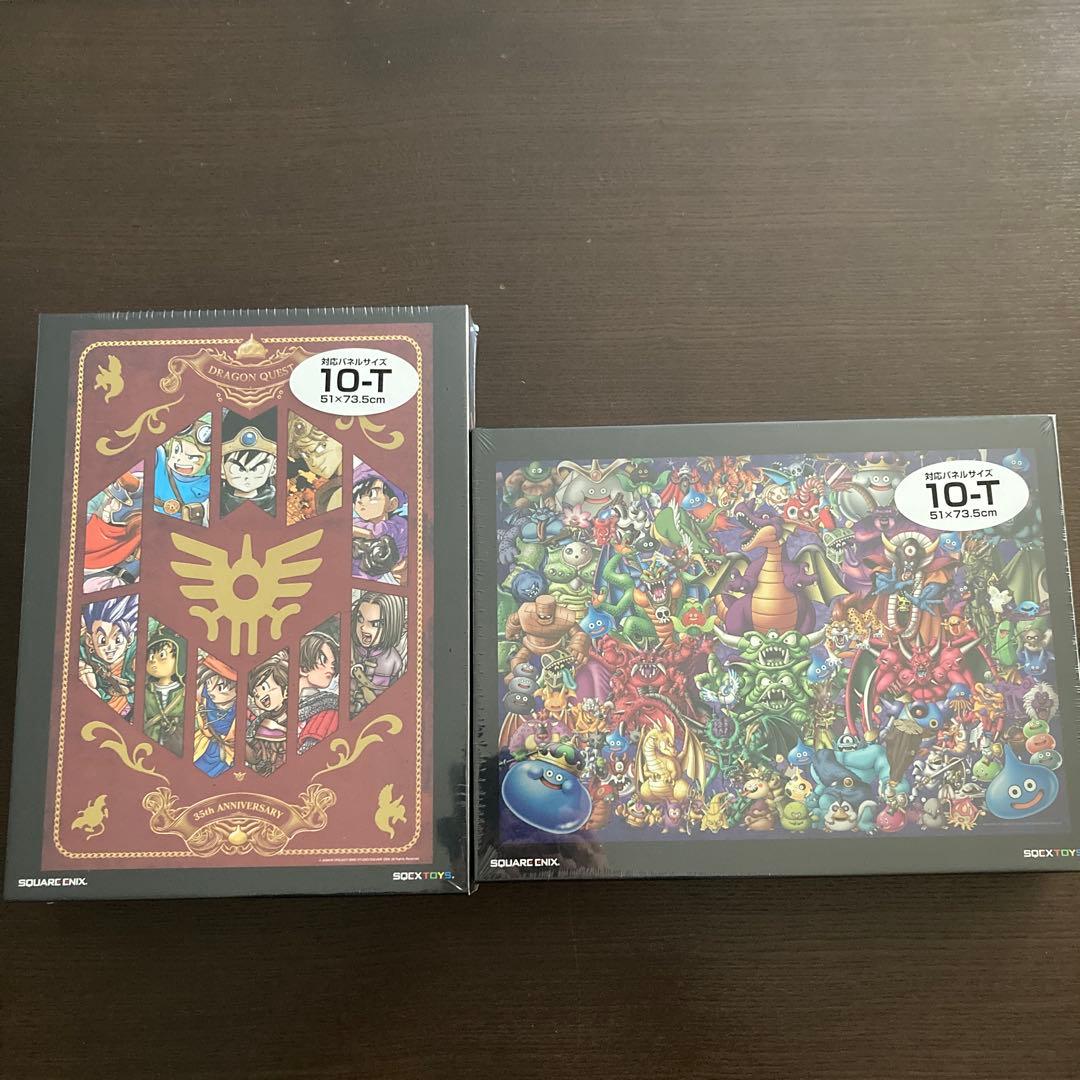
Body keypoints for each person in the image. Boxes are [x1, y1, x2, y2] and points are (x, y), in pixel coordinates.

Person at [78, 594, 138, 718]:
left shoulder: (134, 659)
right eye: (102, 640)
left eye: (118, 640)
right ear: (90, 641)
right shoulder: (85, 659)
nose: (110, 647)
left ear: (129, 638)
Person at [350, 590, 407, 714]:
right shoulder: (350, 648)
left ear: (392, 625)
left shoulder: (393, 660)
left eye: (375, 624)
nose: (363, 627)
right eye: (360, 618)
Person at [352, 462, 408, 583]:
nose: (360, 501)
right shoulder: (356, 523)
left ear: (392, 504)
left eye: (371, 495)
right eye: (357, 496)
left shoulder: (397, 527)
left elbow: (375, 532)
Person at [154, 418, 211, 524]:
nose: (181, 460)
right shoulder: (159, 460)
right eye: (177, 450)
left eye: (193, 457)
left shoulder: (208, 481)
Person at [221, 410, 277, 516]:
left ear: (273, 467)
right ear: (221, 468)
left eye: (256, 469)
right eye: (239, 469)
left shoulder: (277, 504)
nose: (247, 477)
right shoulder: (213, 502)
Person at [143, 625, 185, 756]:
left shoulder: (183, 692)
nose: (153, 662)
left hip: (175, 743)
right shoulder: (146, 690)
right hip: (149, 741)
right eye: (151, 657)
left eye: (162, 655)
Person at [297, 628, 340, 754]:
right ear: (303, 668)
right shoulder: (277, 701)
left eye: (333, 665)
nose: (331, 670)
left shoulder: (329, 711)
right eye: (323, 661)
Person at [193, 655, 237, 778]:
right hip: (206, 748)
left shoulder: (240, 709)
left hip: (230, 755)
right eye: (208, 684)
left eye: (220, 687)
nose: (211, 692)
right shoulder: (204, 699)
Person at [246, 651, 288, 775]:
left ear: (286, 691)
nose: (260, 697)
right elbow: (256, 756)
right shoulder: (260, 723)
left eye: (264, 688)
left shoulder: (300, 716)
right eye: (256, 694)